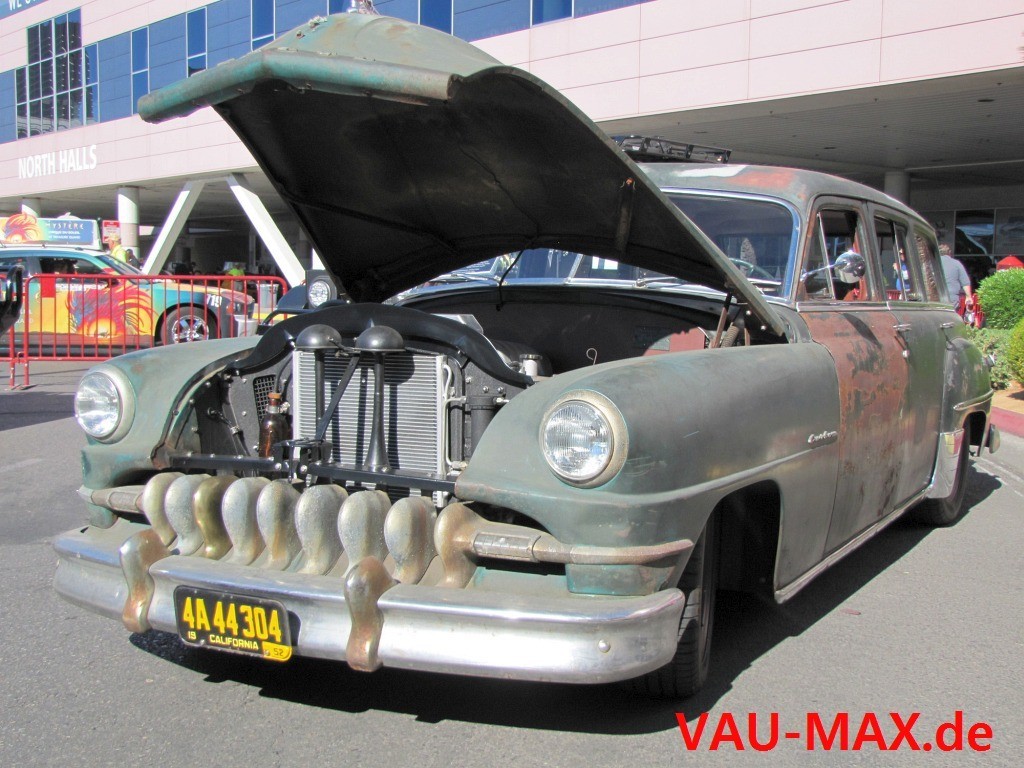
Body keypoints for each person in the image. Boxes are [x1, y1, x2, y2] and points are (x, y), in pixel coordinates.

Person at [939, 244, 973, 313]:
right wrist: (968, 297)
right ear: (949, 252)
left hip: (935, 297)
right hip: (952, 298)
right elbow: (965, 283)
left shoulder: (931, 263)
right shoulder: (957, 263)